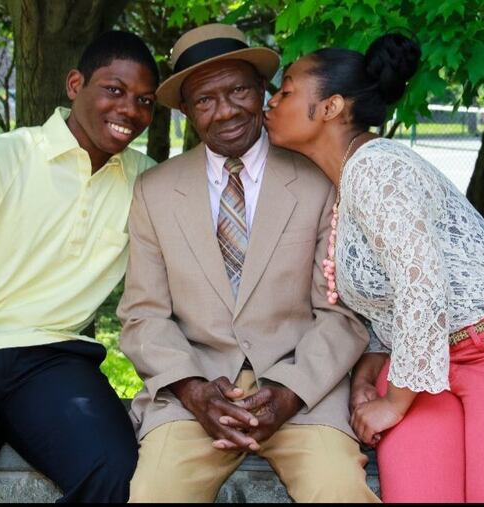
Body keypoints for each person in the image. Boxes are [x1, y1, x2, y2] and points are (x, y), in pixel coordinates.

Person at [263, 32, 484, 503]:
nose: (271, 101)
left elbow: (423, 289)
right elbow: (388, 303)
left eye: (286, 90)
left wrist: (393, 401)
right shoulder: (346, 181)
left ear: (330, 108)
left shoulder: (378, 168)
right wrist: (369, 377)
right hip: (426, 367)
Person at [116, 23, 380, 503]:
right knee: (155, 493)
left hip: (303, 392)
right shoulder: (154, 192)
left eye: (238, 90)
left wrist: (287, 392)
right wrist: (194, 390)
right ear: (187, 113)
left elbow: (343, 313)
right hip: (194, 394)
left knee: (338, 490)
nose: (226, 111)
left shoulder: (318, 178)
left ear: (263, 90)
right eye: (205, 100)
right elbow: (142, 315)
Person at [0, 31, 159, 502]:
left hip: (53, 361)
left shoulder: (147, 180)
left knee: (116, 472)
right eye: (113, 90)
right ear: (75, 84)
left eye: (144, 100)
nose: (130, 111)